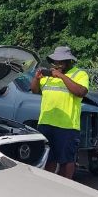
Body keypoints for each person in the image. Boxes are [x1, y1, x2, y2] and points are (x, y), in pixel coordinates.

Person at [30, 46, 89, 179]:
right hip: (45, 123)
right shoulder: (49, 75)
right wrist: (36, 78)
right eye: (56, 61)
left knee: (66, 160)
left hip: (67, 126)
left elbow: (81, 92)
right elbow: (34, 90)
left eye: (61, 61)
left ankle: (66, 186)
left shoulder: (79, 74)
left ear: (69, 61)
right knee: (49, 158)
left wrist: (62, 76)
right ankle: (48, 185)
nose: (57, 64)